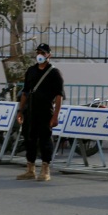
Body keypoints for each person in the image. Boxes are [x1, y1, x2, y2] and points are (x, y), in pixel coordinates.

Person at [15, 43, 65, 182]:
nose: (40, 55)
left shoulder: (54, 73)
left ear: (49, 55)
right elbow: (25, 92)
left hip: (45, 112)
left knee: (44, 140)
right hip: (30, 111)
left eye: (43, 53)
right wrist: (20, 110)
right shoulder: (31, 71)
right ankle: (30, 169)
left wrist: (55, 116)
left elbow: (59, 96)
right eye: (38, 52)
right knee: (29, 139)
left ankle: (45, 170)